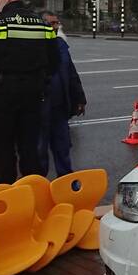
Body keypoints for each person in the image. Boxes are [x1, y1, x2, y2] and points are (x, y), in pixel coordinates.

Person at [0, 0, 59, 185]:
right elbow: (54, 63)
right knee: (30, 150)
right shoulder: (42, 24)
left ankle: (5, 201)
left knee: (3, 152)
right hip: (32, 95)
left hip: (1, 97)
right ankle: (34, 197)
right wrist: (39, 82)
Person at [37, 10, 86, 176]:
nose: (56, 27)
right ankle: (39, 187)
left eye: (57, 23)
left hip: (59, 107)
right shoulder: (34, 46)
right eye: (52, 23)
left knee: (63, 148)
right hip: (40, 106)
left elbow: (71, 73)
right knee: (39, 151)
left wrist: (80, 98)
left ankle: (66, 184)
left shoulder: (61, 45)